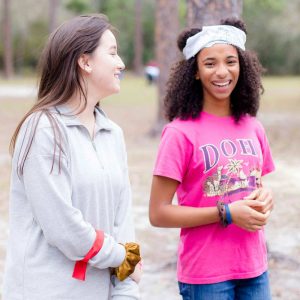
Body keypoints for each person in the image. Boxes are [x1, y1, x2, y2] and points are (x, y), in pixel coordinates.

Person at [3, 14, 141, 300]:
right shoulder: (42, 129)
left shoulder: (112, 133)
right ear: (85, 61)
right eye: (113, 53)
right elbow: (64, 228)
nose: (122, 64)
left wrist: (126, 291)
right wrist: (122, 256)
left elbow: (123, 222)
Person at [149, 18, 274, 300]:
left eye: (230, 61)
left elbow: (255, 183)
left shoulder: (252, 126)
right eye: (209, 63)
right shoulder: (179, 133)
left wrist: (265, 196)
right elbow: (158, 213)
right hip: (206, 277)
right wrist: (226, 213)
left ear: (242, 66)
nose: (222, 72)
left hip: (254, 269)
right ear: (194, 72)